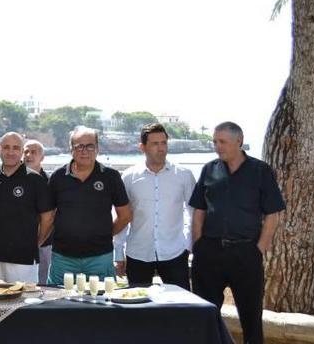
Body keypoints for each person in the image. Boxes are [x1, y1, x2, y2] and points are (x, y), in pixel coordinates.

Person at [189, 121, 285, 344]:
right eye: (215, 141)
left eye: (222, 142)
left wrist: (259, 248)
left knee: (251, 315)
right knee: (206, 313)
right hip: (210, 252)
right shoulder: (209, 169)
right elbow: (199, 209)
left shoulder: (260, 171)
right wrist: (198, 244)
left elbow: (273, 214)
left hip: (246, 253)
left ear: (238, 142)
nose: (216, 146)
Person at [42, 127, 131, 285]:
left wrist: (105, 233)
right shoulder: (57, 177)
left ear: (97, 149)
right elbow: (48, 217)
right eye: (79, 146)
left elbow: (125, 215)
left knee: (101, 305)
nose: (84, 151)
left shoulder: (111, 177)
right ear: (71, 150)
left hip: (100, 257)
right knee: (58, 305)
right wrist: (37, 243)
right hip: (63, 257)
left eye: (90, 146)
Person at [114, 123, 196, 289]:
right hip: (138, 252)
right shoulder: (129, 177)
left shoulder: (184, 175)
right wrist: (118, 252)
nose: (161, 148)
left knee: (181, 307)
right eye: (155, 144)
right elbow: (123, 216)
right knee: (138, 308)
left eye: (164, 143)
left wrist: (188, 244)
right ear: (142, 147)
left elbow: (193, 212)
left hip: (175, 252)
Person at [0, 132, 51, 284]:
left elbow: (47, 218)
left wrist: (36, 244)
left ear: (21, 151)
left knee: (23, 304)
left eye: (15, 148)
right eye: (6, 147)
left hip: (23, 259)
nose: (11, 152)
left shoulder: (35, 180)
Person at [23, 139, 53, 284]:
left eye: (33, 152)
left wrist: (38, 242)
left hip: (45, 243)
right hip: (19, 243)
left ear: (42, 157)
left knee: (42, 284)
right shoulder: (14, 180)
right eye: (26, 151)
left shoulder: (50, 183)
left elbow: (52, 216)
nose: (29, 155)